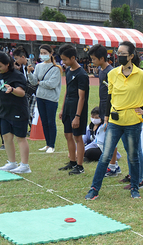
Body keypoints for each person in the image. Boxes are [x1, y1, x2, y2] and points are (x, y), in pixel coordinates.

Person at [85, 40, 143, 200]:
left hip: (133, 122)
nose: (119, 56)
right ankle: (94, 189)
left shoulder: (142, 75)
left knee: (133, 156)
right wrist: (106, 118)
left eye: (122, 54)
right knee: (105, 156)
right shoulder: (112, 74)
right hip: (114, 122)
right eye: (117, 53)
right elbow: (110, 97)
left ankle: (135, 188)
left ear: (131, 56)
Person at [88, 44, 121, 176]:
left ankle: (113, 166)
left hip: (111, 111)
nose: (92, 62)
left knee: (109, 139)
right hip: (103, 108)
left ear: (102, 58)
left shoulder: (110, 72)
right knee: (105, 139)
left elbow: (113, 94)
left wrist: (108, 112)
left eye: (94, 59)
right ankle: (114, 165)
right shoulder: (101, 71)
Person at [58, 44, 89, 175]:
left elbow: (82, 98)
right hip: (68, 108)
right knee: (67, 134)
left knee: (77, 137)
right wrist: (62, 108)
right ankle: (72, 161)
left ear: (73, 57)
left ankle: (80, 166)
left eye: (65, 60)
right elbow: (67, 91)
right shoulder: (69, 71)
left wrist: (77, 116)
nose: (63, 63)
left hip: (77, 109)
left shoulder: (82, 74)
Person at [27, 44, 62, 154]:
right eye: (41, 53)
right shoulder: (38, 66)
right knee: (44, 122)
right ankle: (47, 144)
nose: (43, 55)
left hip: (51, 98)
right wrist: (29, 73)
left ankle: (52, 145)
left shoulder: (56, 68)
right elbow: (33, 81)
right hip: (40, 97)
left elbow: (52, 84)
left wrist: (39, 82)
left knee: (51, 121)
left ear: (51, 53)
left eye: (45, 53)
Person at [12, 46, 36, 131]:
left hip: (32, 92)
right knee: (26, 111)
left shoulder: (31, 64)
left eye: (16, 58)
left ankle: (33, 130)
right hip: (27, 92)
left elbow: (33, 79)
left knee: (31, 112)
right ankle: (30, 129)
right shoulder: (22, 66)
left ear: (22, 57)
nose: (16, 61)